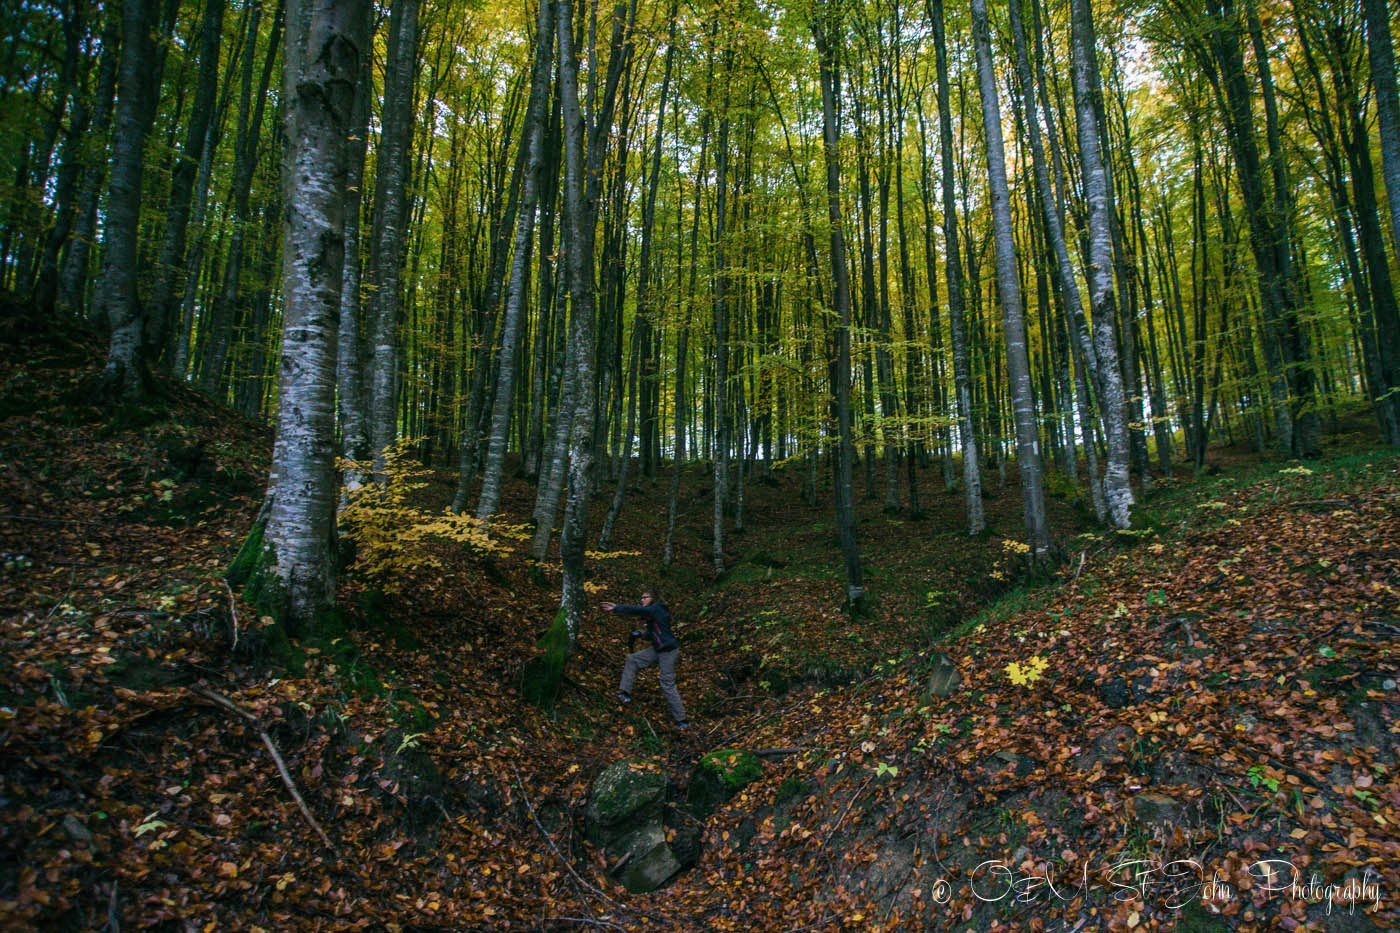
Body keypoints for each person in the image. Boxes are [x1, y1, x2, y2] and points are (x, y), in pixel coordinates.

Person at [601, 589, 689, 731]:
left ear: (653, 598)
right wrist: (642, 635)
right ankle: (624, 693)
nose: (642, 600)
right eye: (641, 598)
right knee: (633, 659)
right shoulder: (653, 613)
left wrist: (616, 608)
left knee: (667, 683)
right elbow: (655, 634)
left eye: (644, 597)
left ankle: (682, 720)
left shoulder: (657, 609)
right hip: (658, 649)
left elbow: (637, 610)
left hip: (668, 652)